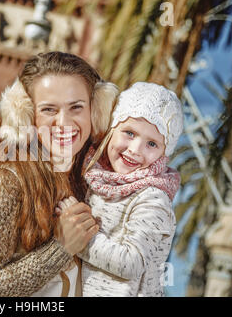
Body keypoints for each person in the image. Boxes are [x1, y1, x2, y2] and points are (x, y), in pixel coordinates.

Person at [0, 51, 119, 296]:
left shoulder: (90, 187)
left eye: (76, 107)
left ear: (96, 110)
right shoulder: (6, 182)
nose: (64, 122)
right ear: (25, 117)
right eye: (49, 109)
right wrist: (61, 248)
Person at [57, 82, 184, 296]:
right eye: (129, 133)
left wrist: (77, 238)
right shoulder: (96, 177)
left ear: (164, 153)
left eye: (152, 144)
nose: (135, 150)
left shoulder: (152, 197)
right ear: (112, 130)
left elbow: (132, 263)